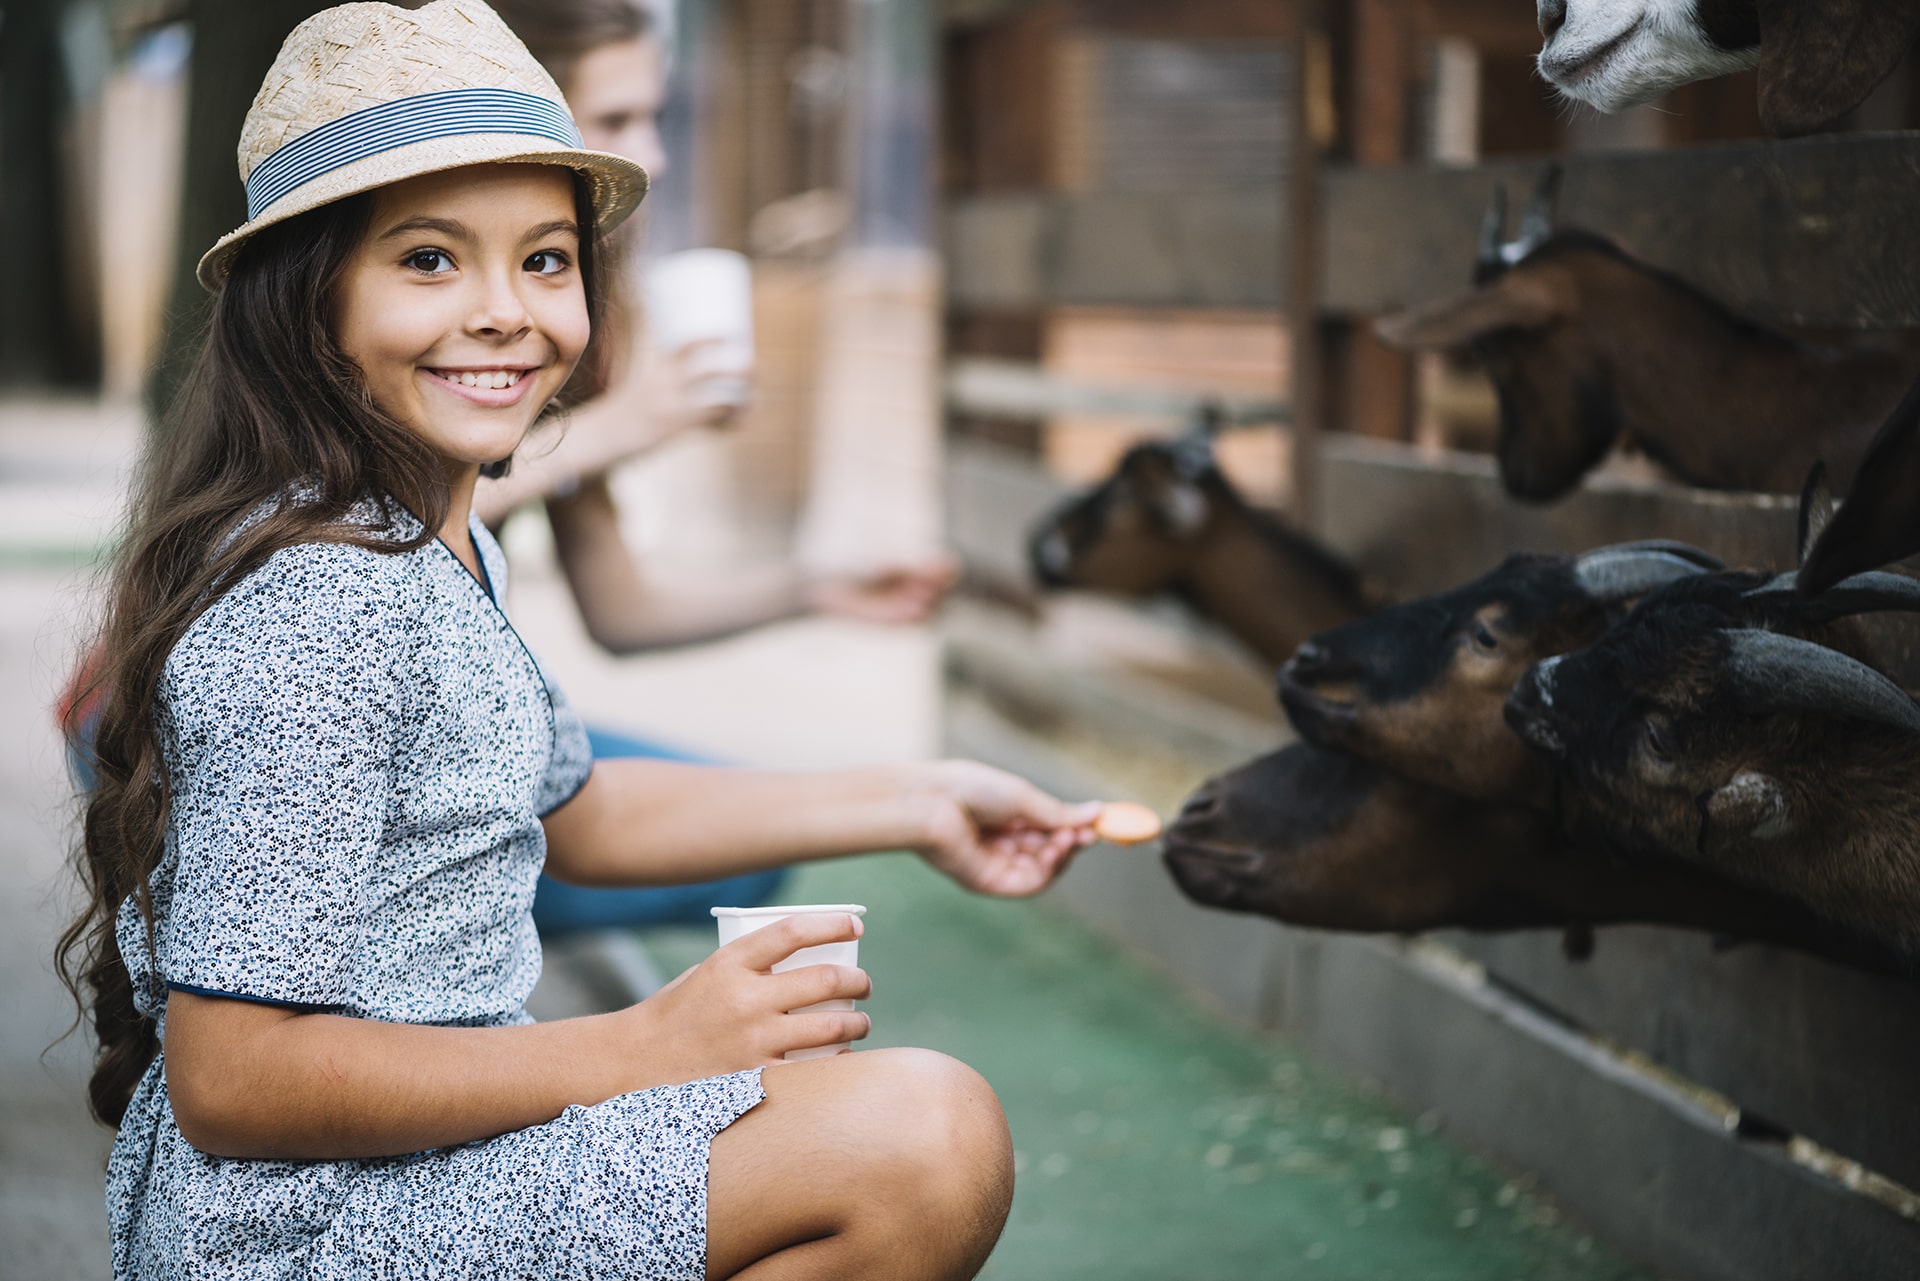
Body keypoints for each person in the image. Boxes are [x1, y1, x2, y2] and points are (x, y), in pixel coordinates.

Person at [58, 4, 1101, 1277]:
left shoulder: (441, 542)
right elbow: (235, 1079)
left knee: (914, 1132)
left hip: (431, 1165)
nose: (505, 310)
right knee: (919, 1135)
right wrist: (645, 1047)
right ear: (310, 299)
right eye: (430, 260)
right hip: (304, 1225)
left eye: (546, 260)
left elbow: (581, 812)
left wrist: (917, 798)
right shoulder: (326, 602)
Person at [475, 0, 956, 935]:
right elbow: (363, 515)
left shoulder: (584, 332)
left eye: (656, 119)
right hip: (235, 742)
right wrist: (629, 424)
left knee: (747, 832)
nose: (651, 157)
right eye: (614, 121)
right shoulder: (408, 313)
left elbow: (620, 609)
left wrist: (816, 589)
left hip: (455, 742)